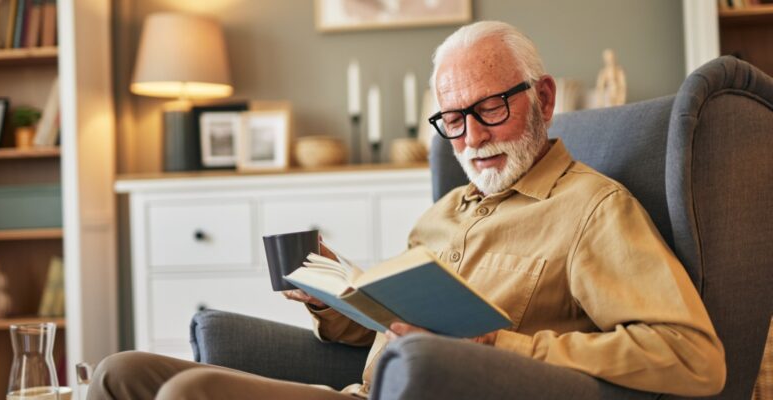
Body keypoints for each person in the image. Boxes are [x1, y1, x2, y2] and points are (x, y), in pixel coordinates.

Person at [88, 21, 726, 399]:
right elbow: (390, 330)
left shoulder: (591, 210)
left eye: (490, 109)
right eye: (453, 119)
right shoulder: (447, 211)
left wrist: (500, 346)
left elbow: (694, 355)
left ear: (543, 98)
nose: (471, 138)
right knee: (122, 373)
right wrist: (335, 300)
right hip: (358, 388)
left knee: (190, 393)